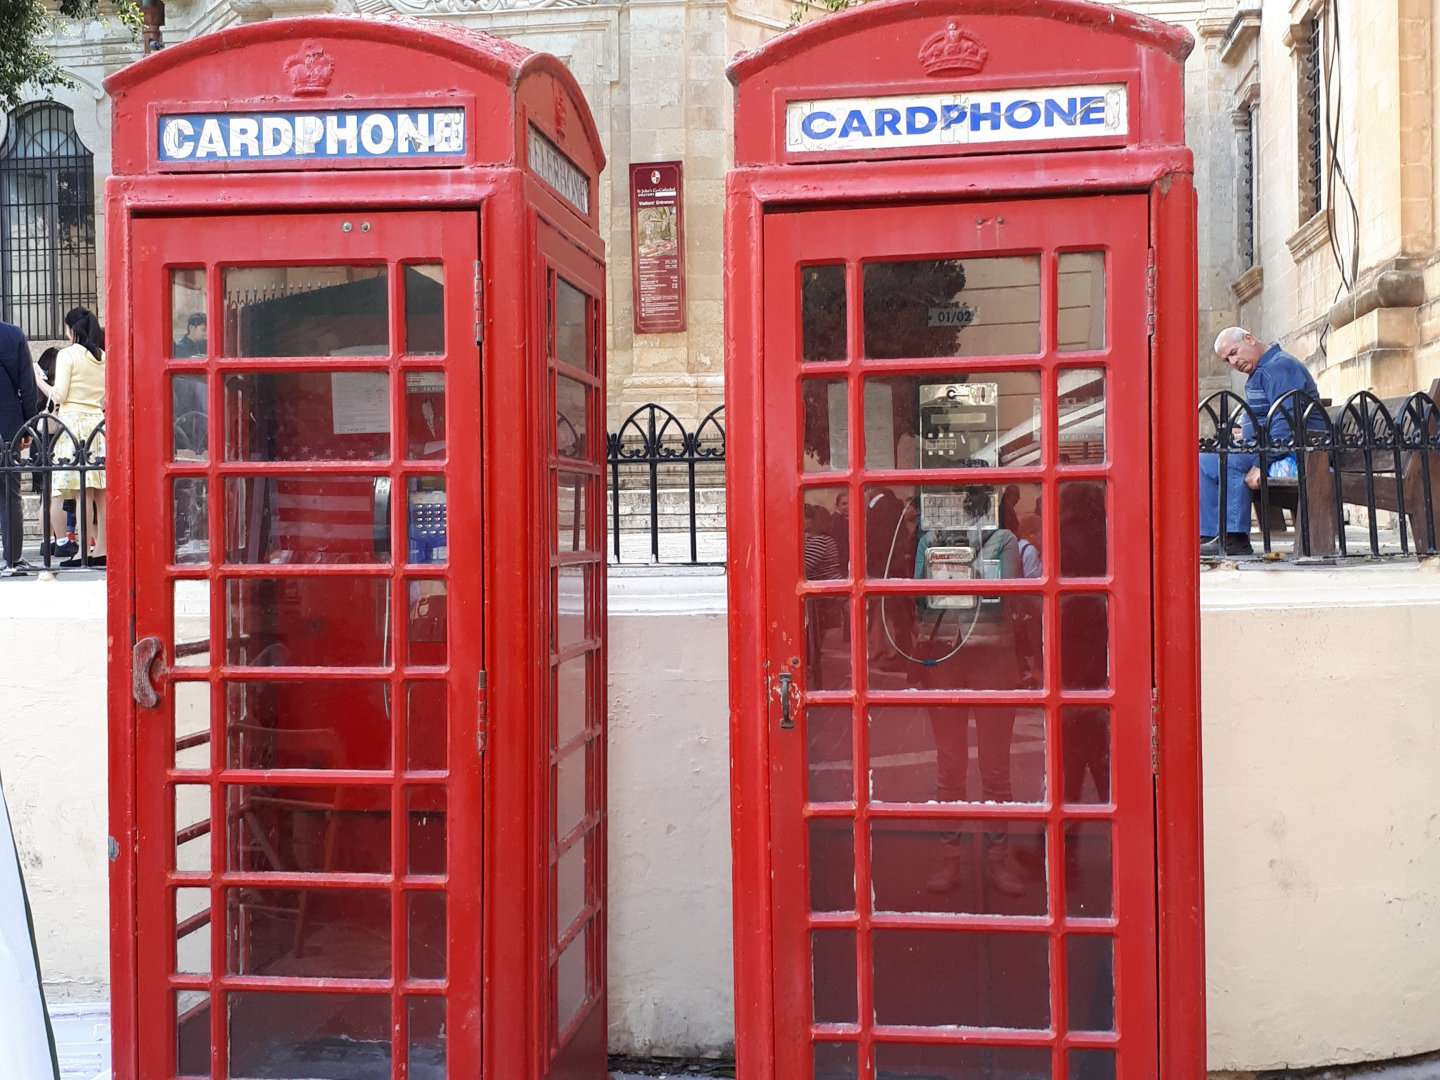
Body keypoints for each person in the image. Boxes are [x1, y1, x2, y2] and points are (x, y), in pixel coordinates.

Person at [1201, 327, 1322, 556]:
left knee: (1231, 462)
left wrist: (1261, 462)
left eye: (1234, 352)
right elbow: (1265, 415)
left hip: (1302, 449)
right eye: (1228, 360)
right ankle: (1210, 534)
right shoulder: (1261, 370)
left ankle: (1235, 538)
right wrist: (1244, 431)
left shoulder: (1279, 368)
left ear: (1249, 339)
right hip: (1269, 444)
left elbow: (1287, 421)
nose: (1233, 362)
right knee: (1204, 460)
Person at [40, 308, 107, 568]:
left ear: (71, 330)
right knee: (100, 491)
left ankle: (83, 553)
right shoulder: (102, 356)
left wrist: (37, 379)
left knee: (82, 491)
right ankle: (102, 548)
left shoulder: (68, 354)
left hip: (74, 424)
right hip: (97, 424)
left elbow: (59, 395)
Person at [0, 318, 37, 576]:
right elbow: (27, 385)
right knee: (9, 494)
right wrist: (26, 427)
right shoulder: (12, 335)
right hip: (8, 425)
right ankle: (12, 558)